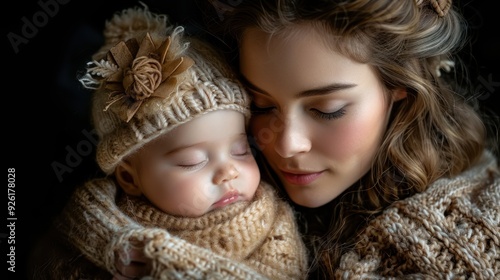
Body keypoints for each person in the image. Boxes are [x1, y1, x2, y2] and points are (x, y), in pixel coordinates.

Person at [32, 0, 500, 279]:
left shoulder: (469, 241)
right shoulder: (207, 186)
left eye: (327, 109)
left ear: (399, 87)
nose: (286, 144)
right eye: (261, 106)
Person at [29, 5, 308, 280]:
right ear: (130, 178)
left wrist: (169, 265)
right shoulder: (86, 228)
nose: (228, 171)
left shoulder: (273, 226)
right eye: (192, 161)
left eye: (241, 150)